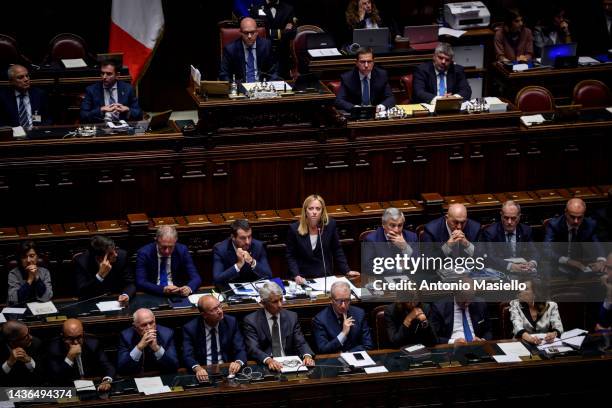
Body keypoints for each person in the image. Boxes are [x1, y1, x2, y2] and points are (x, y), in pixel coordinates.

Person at [285, 194, 360, 285]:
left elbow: (337, 249)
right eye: (311, 208)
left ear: (322, 211)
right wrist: (296, 275)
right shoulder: (294, 229)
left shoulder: (330, 225)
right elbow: (290, 256)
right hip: (302, 277)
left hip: (324, 276)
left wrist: (346, 270)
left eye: (318, 208)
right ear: (305, 210)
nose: (314, 212)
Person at [242, 282, 315, 371]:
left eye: (281, 299)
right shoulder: (251, 320)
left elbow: (300, 342)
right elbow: (253, 348)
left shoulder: (291, 317)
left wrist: (307, 356)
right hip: (266, 365)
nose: (280, 305)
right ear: (263, 303)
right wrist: (268, 360)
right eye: (275, 302)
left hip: (290, 363)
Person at [183, 295, 247, 382]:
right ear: (204, 315)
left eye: (219, 306)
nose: (220, 311)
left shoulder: (231, 322)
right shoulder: (191, 328)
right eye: (214, 309)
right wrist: (197, 368)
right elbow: (188, 356)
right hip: (203, 371)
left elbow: (240, 349)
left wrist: (238, 362)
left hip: (227, 370)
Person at [46, 318, 115, 391]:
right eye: (71, 339)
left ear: (83, 334)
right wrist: (69, 357)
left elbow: (108, 367)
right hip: (68, 389)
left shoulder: (93, 344)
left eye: (79, 337)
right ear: (63, 337)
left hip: (93, 385)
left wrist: (107, 381)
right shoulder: (54, 348)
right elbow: (56, 378)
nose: (76, 342)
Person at [544, 198, 606, 275]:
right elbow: (546, 250)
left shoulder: (590, 224)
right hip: (559, 265)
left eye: (580, 217)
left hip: (584, 264)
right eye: (572, 217)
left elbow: (597, 245)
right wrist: (567, 261)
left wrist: (601, 261)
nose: (576, 221)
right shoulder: (554, 225)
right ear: (566, 212)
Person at [135, 225, 202, 297]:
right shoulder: (144, 253)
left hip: (177, 293)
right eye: (164, 247)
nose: (167, 251)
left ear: (175, 241)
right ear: (156, 241)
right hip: (154, 293)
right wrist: (162, 289)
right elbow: (140, 282)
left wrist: (189, 288)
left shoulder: (182, 250)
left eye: (171, 247)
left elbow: (196, 278)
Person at [312, 281, 373, 353]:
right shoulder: (320, 319)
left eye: (347, 300)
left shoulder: (359, 314)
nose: (343, 305)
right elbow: (323, 349)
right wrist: (343, 334)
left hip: (356, 359)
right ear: (331, 300)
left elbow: (368, 345)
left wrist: (347, 354)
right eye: (339, 301)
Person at [480, 201, 538, 274]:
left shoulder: (526, 230)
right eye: (506, 218)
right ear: (501, 215)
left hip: (523, 271)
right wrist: (511, 266)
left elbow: (534, 252)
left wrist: (532, 263)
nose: (509, 222)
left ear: (519, 217)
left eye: (513, 218)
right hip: (501, 271)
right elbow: (490, 258)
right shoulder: (490, 232)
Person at [74, 235, 135, 303]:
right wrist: (99, 276)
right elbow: (83, 292)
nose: (116, 255)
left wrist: (126, 295)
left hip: (117, 298)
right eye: (111, 253)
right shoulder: (82, 262)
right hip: (93, 301)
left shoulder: (122, 256)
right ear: (98, 258)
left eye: (114, 249)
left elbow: (130, 283)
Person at [117, 308, 179, 374]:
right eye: (143, 325)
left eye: (151, 323)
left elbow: (174, 366)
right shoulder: (126, 336)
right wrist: (139, 347)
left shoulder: (167, 334)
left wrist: (156, 348)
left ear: (155, 321)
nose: (149, 328)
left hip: (161, 375)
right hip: (136, 375)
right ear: (135, 327)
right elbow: (122, 369)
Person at [219, 17, 280, 82]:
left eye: (252, 32)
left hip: (262, 87)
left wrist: (268, 86)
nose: (249, 36)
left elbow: (274, 71)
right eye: (246, 33)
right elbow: (223, 75)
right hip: (241, 88)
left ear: (257, 32)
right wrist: (236, 86)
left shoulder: (266, 46)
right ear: (240, 33)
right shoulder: (230, 49)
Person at [80, 59, 142, 123]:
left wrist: (128, 109)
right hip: (101, 128)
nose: (104, 77)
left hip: (123, 128)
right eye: (102, 73)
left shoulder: (128, 89)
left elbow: (139, 114)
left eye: (108, 74)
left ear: (117, 75)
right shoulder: (91, 90)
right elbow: (83, 116)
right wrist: (101, 109)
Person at [212, 219, 272, 285]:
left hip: (254, 288)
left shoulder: (258, 246)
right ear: (233, 237)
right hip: (230, 289)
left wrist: (252, 262)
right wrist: (238, 265)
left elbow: (268, 275)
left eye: (249, 236)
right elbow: (217, 280)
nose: (248, 242)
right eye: (243, 238)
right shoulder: (220, 250)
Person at [334, 47, 395, 113]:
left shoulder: (381, 75)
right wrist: (355, 108)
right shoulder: (347, 78)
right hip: (356, 115)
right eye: (362, 62)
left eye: (369, 62)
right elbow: (339, 101)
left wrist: (380, 107)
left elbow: (390, 98)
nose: (366, 65)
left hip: (376, 114)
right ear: (356, 63)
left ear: (373, 62)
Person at [509, 279, 563, 345]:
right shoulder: (515, 304)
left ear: (535, 292)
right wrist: (530, 339)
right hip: (522, 342)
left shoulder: (551, 305)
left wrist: (553, 334)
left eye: (525, 289)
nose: (520, 291)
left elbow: (559, 328)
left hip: (544, 343)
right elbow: (517, 327)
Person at [0, 64, 51, 129]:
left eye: (27, 76)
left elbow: (47, 118)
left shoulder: (39, 94)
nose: (26, 79)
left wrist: (40, 127)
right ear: (11, 81)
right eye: (20, 77)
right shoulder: (3, 97)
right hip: (13, 134)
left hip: (36, 132)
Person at [7, 240, 53, 305]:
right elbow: (14, 300)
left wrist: (37, 277)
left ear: (37, 257)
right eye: (24, 257)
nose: (28, 260)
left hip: (39, 309)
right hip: (20, 309)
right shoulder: (13, 273)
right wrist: (30, 279)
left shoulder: (45, 272)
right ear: (20, 259)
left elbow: (47, 297)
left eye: (32, 256)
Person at [0, 321, 43, 386]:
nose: (30, 337)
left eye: (29, 332)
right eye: (26, 337)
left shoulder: (36, 343)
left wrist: (29, 361)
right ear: (12, 342)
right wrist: (9, 363)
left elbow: (42, 375)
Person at [595, 252, 612, 331]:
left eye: (609, 268)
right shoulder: (604, 288)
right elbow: (601, 324)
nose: (605, 272)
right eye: (606, 267)